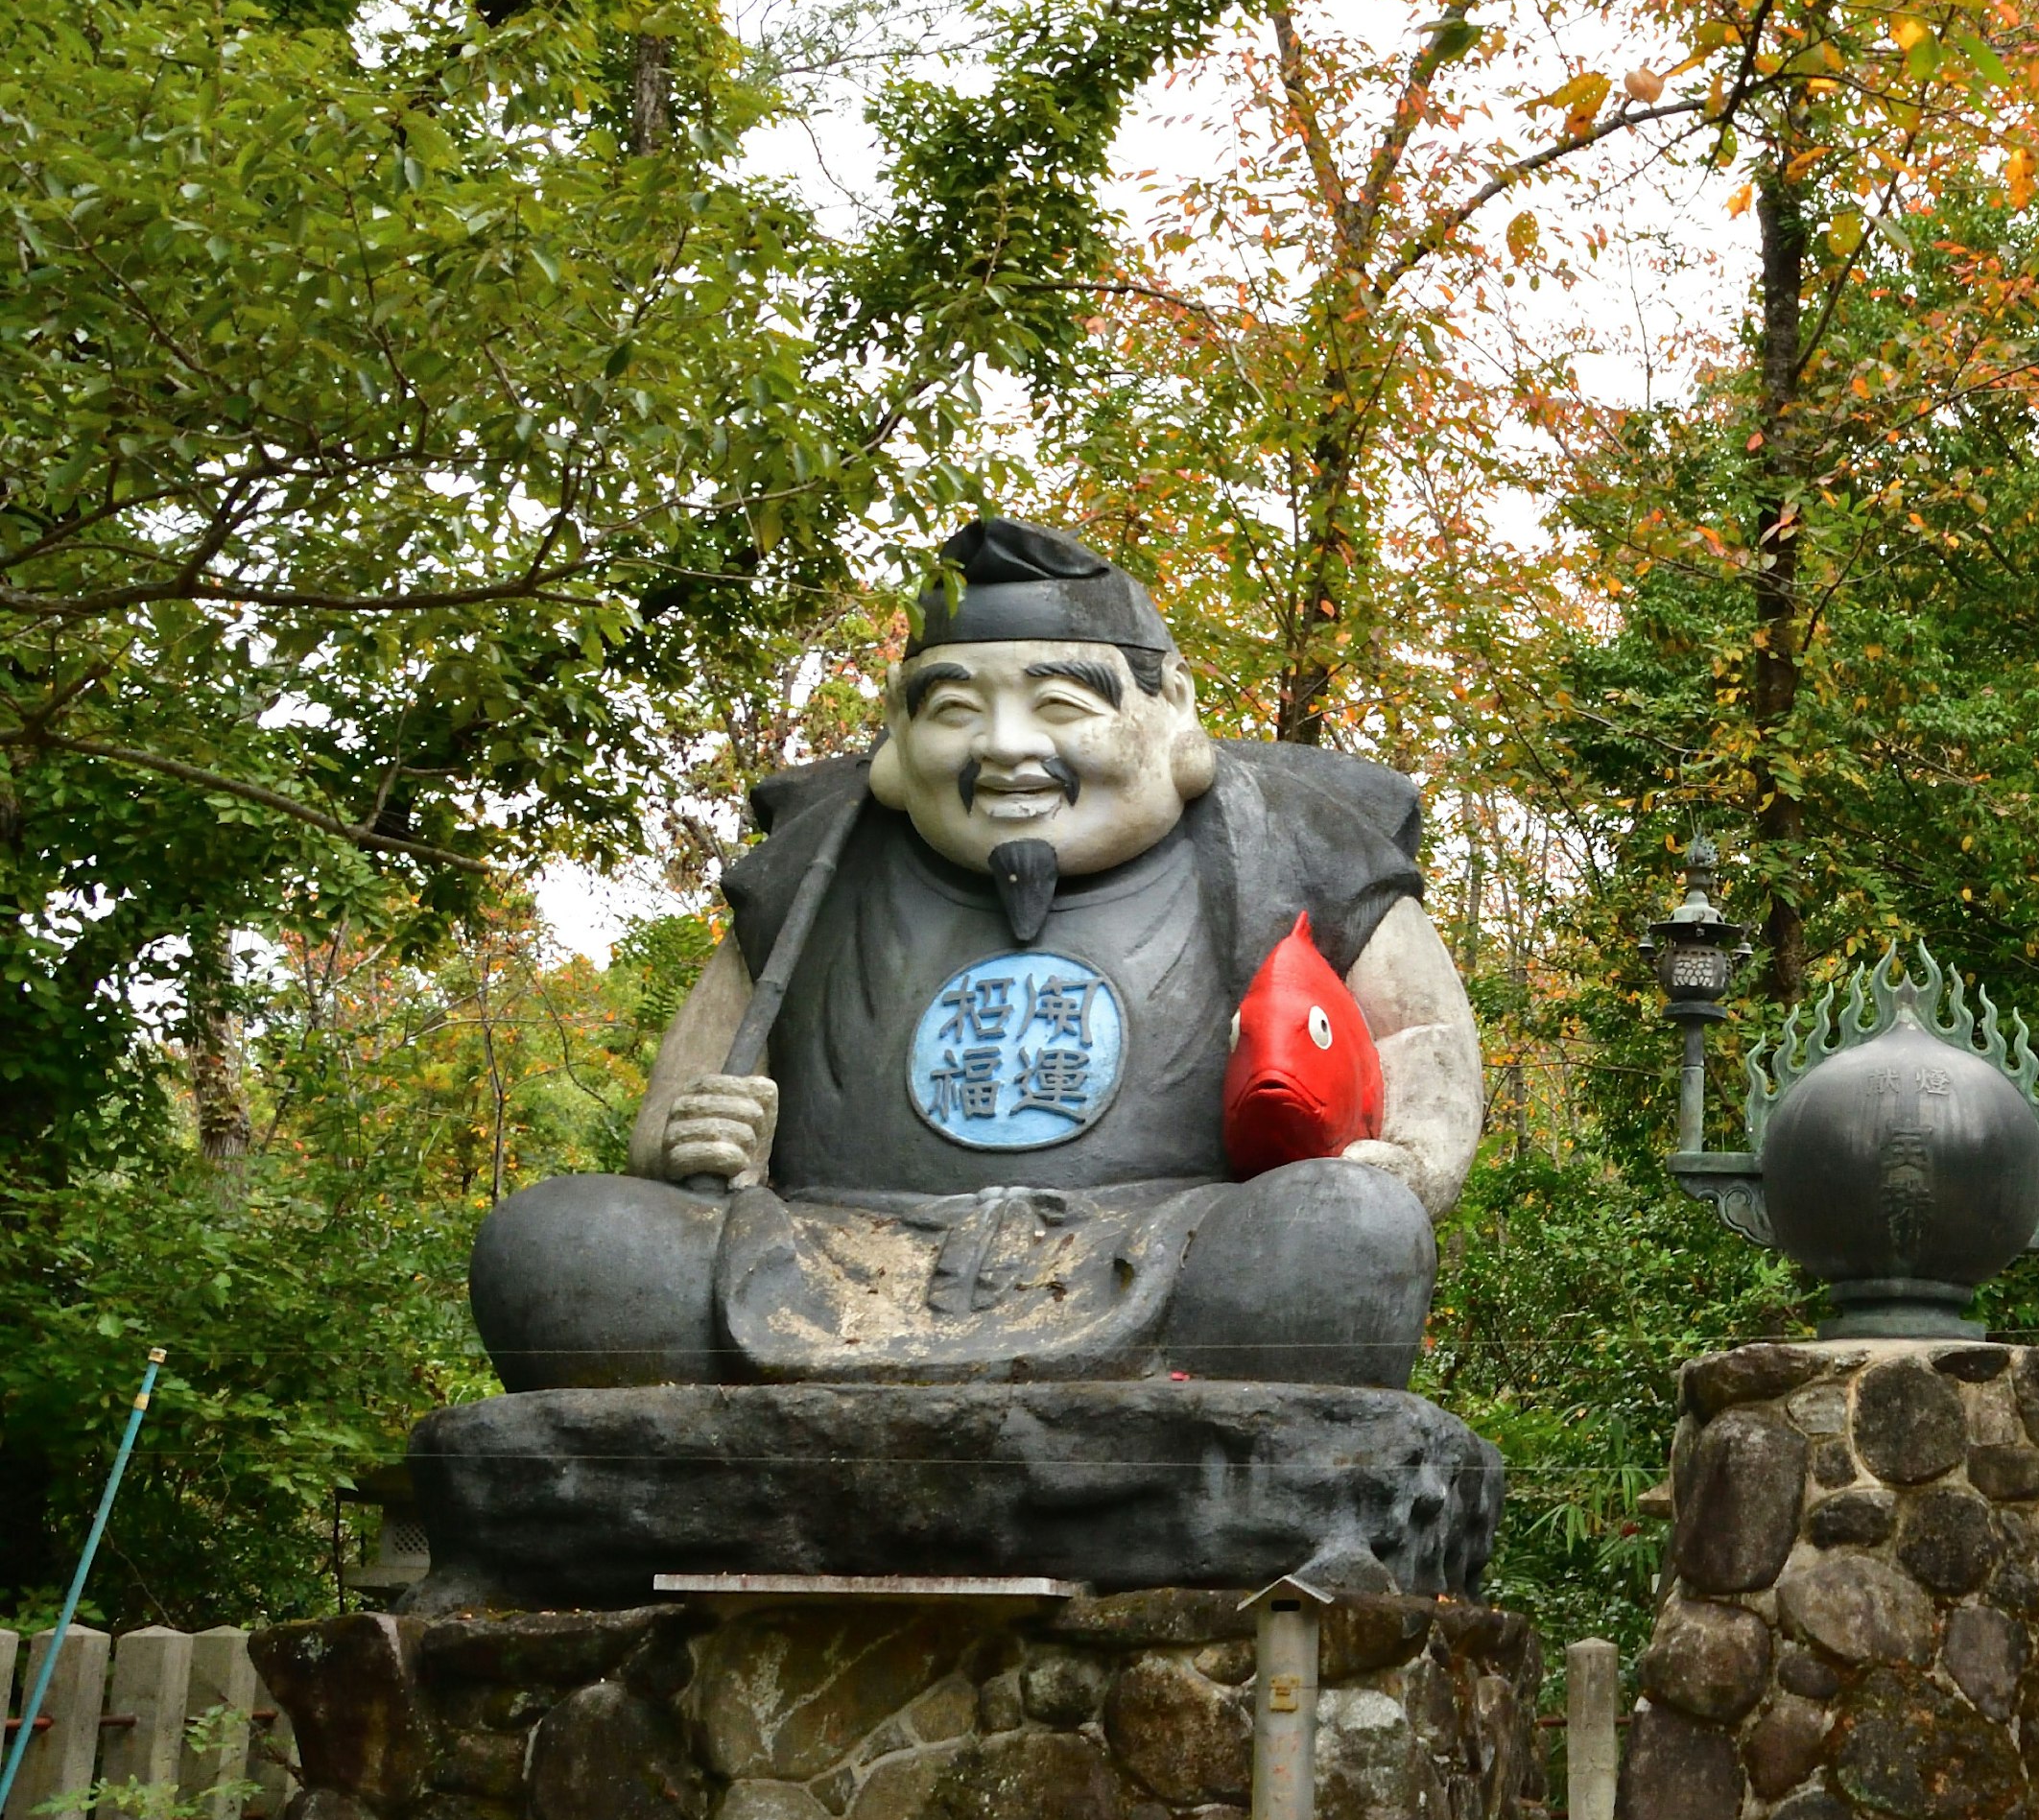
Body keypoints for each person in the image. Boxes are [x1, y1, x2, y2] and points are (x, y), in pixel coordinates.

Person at [468, 517, 1482, 1391]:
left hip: (1167, 1245)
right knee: (555, 1243)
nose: (1003, 747)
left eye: (1059, 706)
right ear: (901, 733)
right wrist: (698, 1140)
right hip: (826, 1261)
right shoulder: (822, 859)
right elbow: (674, 1121)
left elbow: (1422, 1037)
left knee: (1346, 1234)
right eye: (955, 710)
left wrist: (1409, 1159)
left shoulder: (1291, 841)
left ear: (1169, 705)